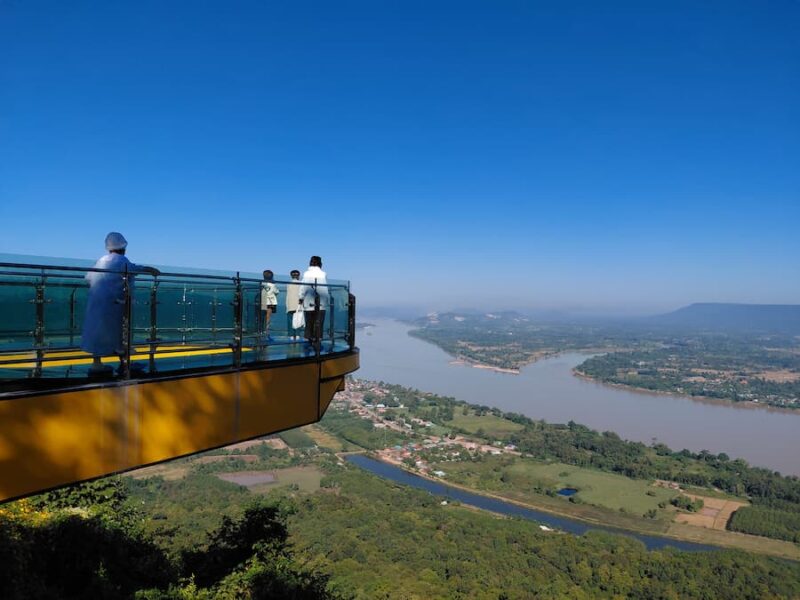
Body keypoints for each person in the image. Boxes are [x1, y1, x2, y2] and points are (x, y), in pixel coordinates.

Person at [81, 232, 160, 375]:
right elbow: (134, 269)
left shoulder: (101, 260)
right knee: (121, 332)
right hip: (115, 306)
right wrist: (151, 269)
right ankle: (124, 363)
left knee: (97, 332)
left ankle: (97, 364)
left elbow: (88, 278)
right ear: (124, 247)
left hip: (97, 303)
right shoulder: (122, 260)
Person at [298, 256, 329, 350]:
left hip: (309, 302)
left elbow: (303, 287)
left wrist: (300, 297)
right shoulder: (323, 274)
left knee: (309, 322)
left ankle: (309, 341)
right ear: (320, 263)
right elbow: (325, 288)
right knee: (319, 322)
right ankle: (318, 341)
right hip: (321, 302)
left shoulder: (307, 274)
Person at [260, 270, 279, 340]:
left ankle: (261, 331)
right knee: (268, 317)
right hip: (270, 302)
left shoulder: (261, 283)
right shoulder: (273, 284)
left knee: (261, 317)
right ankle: (266, 331)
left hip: (262, 301)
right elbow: (277, 292)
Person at [285, 269, 302, 340]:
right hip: (299, 305)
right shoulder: (302, 283)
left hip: (290, 304)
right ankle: (297, 334)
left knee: (290, 320)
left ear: (291, 276)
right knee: (298, 320)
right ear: (298, 276)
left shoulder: (288, 284)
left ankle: (291, 335)